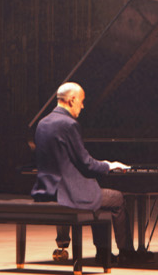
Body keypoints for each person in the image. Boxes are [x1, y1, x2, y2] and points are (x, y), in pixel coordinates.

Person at [32, 82, 134, 260]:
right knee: (116, 198)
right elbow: (86, 163)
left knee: (98, 195)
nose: (83, 106)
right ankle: (126, 252)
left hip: (47, 190)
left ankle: (103, 252)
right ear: (71, 100)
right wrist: (108, 165)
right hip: (68, 192)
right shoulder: (69, 124)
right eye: (81, 101)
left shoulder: (42, 123)